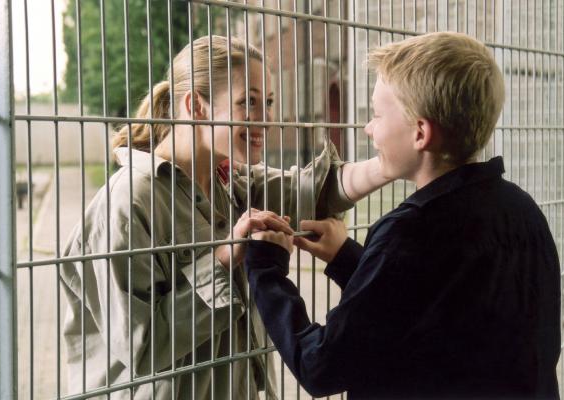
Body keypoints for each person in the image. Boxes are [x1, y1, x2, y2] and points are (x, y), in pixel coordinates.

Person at [60, 35, 391, 399]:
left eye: (267, 102)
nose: (266, 120)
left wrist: (392, 161)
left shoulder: (231, 181)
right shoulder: (126, 204)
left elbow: (314, 189)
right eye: (246, 102)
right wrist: (221, 258)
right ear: (196, 107)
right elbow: (141, 347)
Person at [245, 32, 561, 399]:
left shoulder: (409, 233)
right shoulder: (522, 211)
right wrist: (348, 258)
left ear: (421, 133)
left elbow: (321, 367)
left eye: (377, 115)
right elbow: (429, 307)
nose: (368, 128)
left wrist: (266, 269)